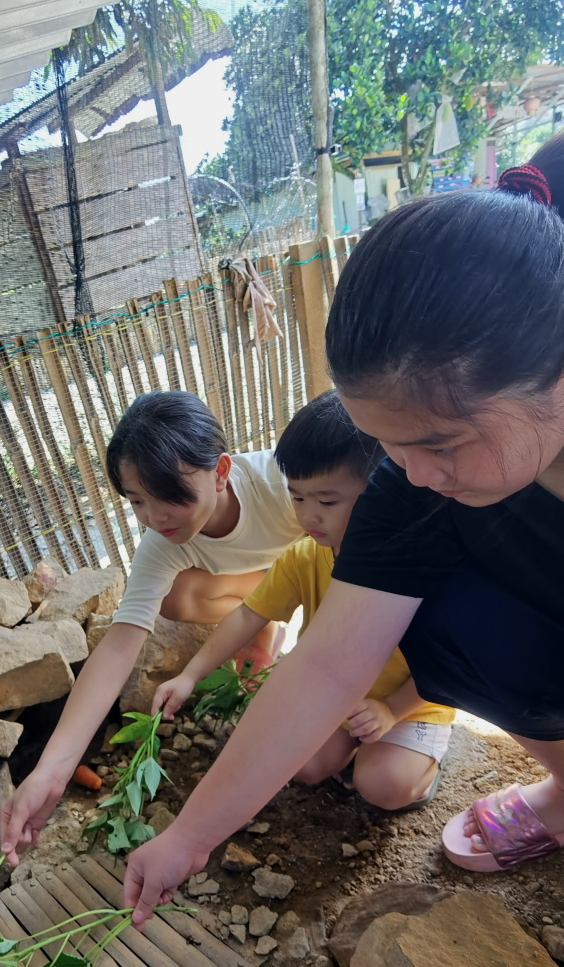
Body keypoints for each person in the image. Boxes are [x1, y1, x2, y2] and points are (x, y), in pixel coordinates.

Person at [122, 139, 564, 925]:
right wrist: (191, 837)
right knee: (446, 614)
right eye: (388, 447)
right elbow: (324, 665)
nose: (412, 473)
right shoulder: (407, 492)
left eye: (438, 444)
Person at [0, 390, 304, 865]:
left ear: (221, 472)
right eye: (138, 501)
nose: (154, 518)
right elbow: (120, 646)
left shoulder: (282, 483)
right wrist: (51, 773)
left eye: (171, 497)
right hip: (265, 588)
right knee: (176, 597)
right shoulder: (161, 543)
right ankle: (261, 628)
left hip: (319, 574)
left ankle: (270, 624)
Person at [152, 391, 455, 810]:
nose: (308, 516)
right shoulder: (306, 555)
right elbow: (247, 615)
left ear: (383, 489)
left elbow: (448, 666)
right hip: (341, 695)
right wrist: (189, 675)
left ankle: (418, 765)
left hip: (412, 703)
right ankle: (356, 751)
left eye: (327, 501)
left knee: (383, 786)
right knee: (306, 766)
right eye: (297, 497)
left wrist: (391, 710)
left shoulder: (416, 566)